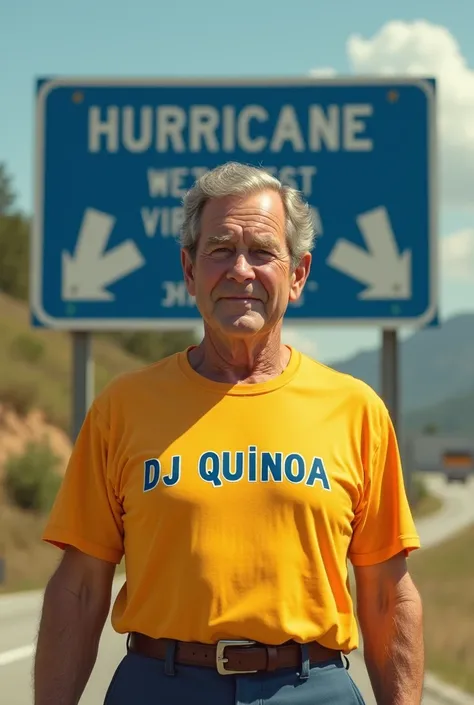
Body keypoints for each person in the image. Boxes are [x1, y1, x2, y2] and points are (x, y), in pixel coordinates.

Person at [34, 161, 424, 705]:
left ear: (298, 274)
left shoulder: (355, 409)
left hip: (312, 688)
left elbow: (386, 596)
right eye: (219, 249)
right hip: (159, 685)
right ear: (189, 271)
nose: (240, 270)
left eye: (263, 251)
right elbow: (79, 588)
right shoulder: (122, 407)